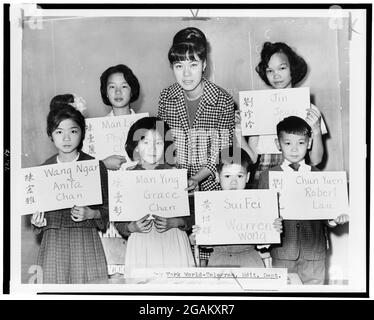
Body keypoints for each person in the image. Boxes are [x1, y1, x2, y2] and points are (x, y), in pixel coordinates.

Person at [258, 116, 349, 284]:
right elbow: (262, 217)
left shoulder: (317, 176)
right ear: (278, 144)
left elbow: (325, 215)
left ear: (309, 143)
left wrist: (335, 220)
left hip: (314, 253)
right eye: (287, 143)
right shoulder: (267, 177)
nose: (294, 149)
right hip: (283, 252)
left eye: (300, 143)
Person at [30, 94, 109, 284]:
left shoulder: (94, 166)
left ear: (82, 133)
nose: (66, 138)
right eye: (59, 132)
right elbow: (34, 214)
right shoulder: (42, 171)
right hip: (54, 242)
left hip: (85, 240)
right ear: (50, 134)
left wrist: (91, 214)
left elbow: (109, 208)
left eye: (73, 131)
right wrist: (37, 221)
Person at [236, 42, 328, 185]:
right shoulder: (258, 107)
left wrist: (315, 130)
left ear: (293, 68)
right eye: (269, 70)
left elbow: (316, 160)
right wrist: (238, 131)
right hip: (264, 174)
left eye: (282, 68)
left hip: (299, 174)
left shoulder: (309, 109)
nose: (276, 75)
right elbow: (252, 158)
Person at [114, 117, 195, 274]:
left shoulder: (176, 175)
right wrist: (130, 227)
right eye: (145, 142)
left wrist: (176, 221)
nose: (152, 148)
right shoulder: (124, 178)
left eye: (158, 143)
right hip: (141, 242)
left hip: (173, 240)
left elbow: (194, 212)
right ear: (136, 146)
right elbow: (118, 218)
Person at [158, 27, 235, 192]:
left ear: (204, 64)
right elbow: (163, 144)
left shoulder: (223, 100)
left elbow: (223, 152)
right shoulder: (166, 97)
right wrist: (175, 176)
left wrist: (195, 179)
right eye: (179, 66)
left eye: (193, 64)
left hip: (211, 185)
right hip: (173, 183)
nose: (186, 74)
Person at [190, 146, 283, 267]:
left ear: (247, 177)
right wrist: (197, 235)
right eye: (227, 176)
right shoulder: (209, 205)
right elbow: (197, 241)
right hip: (219, 260)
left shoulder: (257, 203)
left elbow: (263, 243)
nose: (234, 182)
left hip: (250, 259)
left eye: (239, 176)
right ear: (218, 177)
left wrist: (273, 229)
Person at [98, 64, 141, 277]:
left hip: (139, 205)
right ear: (105, 92)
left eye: (123, 86)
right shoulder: (92, 130)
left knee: (140, 272)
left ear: (132, 89)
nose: (117, 92)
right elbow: (84, 171)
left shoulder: (146, 124)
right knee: (114, 273)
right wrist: (102, 164)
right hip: (108, 206)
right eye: (111, 87)